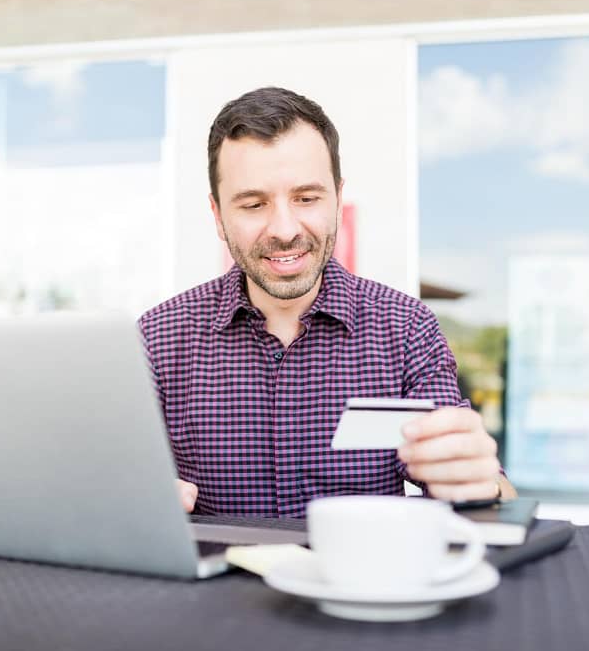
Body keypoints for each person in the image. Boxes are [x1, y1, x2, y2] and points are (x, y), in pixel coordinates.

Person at [139, 86, 515, 517]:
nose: (283, 228)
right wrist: (133, 503)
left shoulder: (407, 328)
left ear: (337, 199)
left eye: (306, 198)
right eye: (253, 204)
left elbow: (490, 503)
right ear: (218, 216)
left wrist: (479, 481)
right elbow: (115, 490)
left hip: (364, 582)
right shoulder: (156, 339)